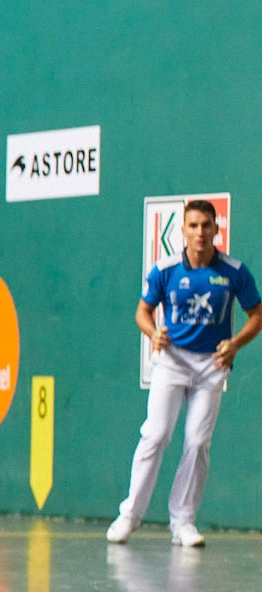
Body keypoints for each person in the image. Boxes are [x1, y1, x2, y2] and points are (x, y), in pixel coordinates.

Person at [106, 200, 262, 548]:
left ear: (216, 229)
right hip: (172, 362)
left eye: (206, 225)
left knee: (197, 441)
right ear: (183, 231)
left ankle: (183, 522)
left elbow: (257, 316)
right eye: (193, 226)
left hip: (212, 366)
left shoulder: (235, 272)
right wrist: (153, 332)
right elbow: (142, 312)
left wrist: (235, 343)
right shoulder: (165, 269)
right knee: (156, 435)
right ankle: (129, 515)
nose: (200, 232)